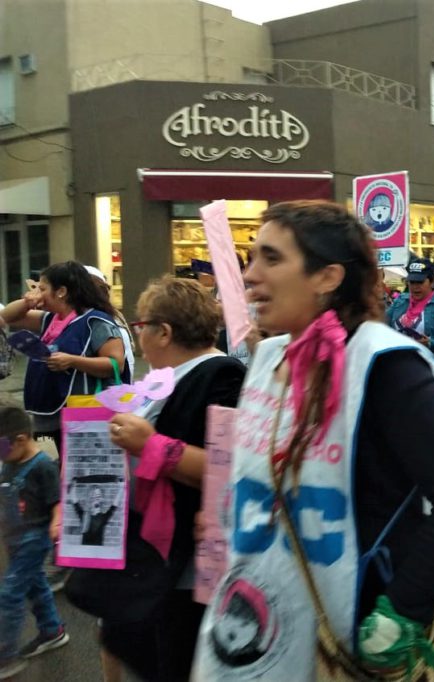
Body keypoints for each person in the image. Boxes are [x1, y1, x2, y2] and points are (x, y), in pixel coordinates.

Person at [192, 200, 434, 681]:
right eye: (251, 257)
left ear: (327, 277)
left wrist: (402, 611)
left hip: (356, 630)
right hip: (260, 616)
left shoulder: (385, 365)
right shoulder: (268, 357)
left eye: (272, 258)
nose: (250, 275)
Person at [80, 277, 246, 681]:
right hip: (154, 560)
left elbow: (232, 469)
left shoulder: (221, 374)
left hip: (185, 567)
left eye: (141, 326)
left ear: (164, 331)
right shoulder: (167, 378)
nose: (138, 338)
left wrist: (151, 445)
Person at [0, 261, 127, 452]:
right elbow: (7, 317)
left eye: (43, 289)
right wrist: (27, 302)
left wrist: (72, 361)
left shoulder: (96, 321)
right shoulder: (51, 318)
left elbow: (116, 363)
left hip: (80, 413)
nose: (38, 293)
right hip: (49, 409)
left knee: (73, 464)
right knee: (57, 462)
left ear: (61, 292)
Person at [0, 405, 68, 680]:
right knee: (36, 586)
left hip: (34, 538)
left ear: (20, 439)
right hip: (14, 537)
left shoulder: (42, 466)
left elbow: (57, 501)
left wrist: (56, 522)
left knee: (9, 594)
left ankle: (5, 657)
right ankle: (52, 630)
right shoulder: (9, 462)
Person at [386, 257, 434, 360]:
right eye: (412, 282)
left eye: (420, 282)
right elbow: (382, 325)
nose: (415, 287)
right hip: (397, 364)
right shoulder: (399, 301)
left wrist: (431, 343)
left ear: (432, 282)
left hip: (427, 365)